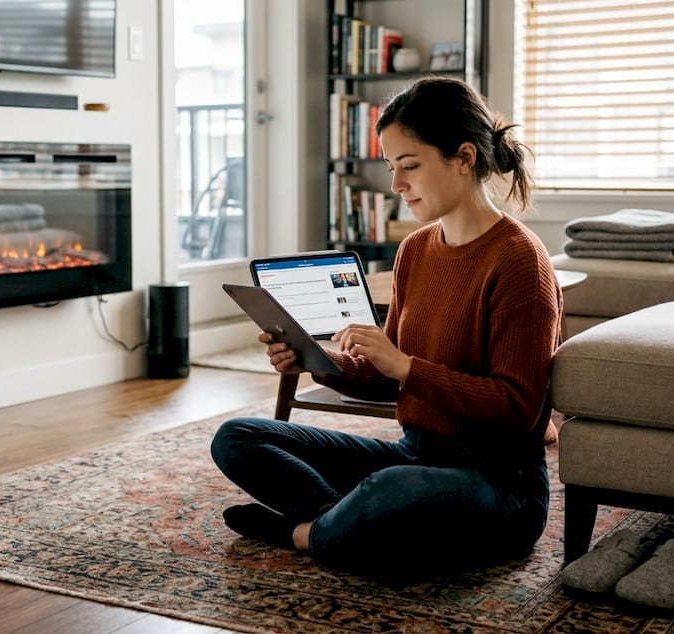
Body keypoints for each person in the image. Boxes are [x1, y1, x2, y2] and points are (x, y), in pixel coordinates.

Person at [210, 77, 563, 579]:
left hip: (499, 484)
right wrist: (316, 360)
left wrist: (406, 367)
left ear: (464, 157)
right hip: (414, 454)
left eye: (410, 166)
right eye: (391, 167)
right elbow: (386, 375)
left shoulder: (520, 260)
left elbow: (517, 409)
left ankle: (308, 534)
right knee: (237, 437)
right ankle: (347, 525)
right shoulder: (415, 251)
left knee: (394, 488)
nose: (396, 185)